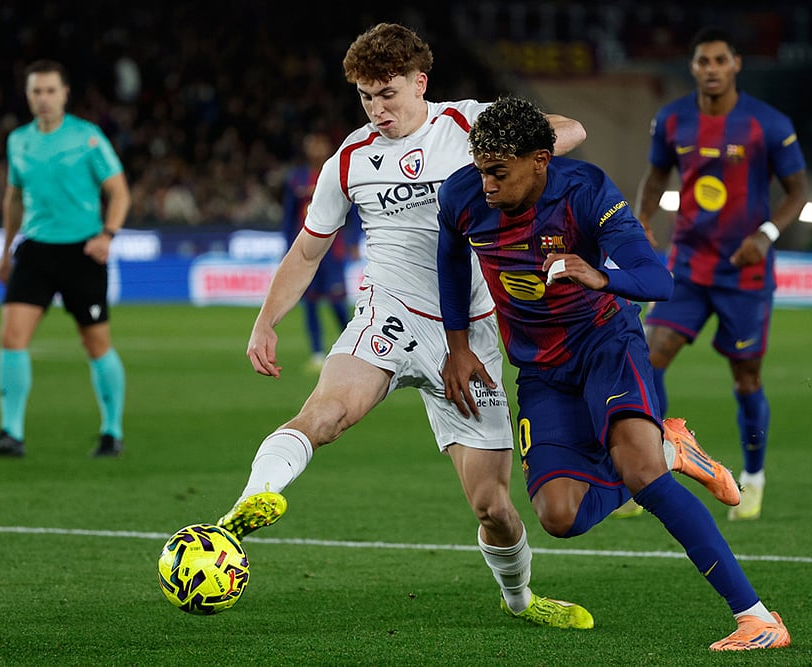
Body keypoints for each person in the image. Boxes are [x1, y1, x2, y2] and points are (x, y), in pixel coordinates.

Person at [215, 22, 593, 629]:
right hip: (390, 313)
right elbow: (309, 249)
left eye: (387, 94)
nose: (377, 109)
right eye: (366, 97)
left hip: (469, 334)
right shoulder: (350, 160)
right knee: (325, 414)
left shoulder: (469, 124)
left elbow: (573, 129)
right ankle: (240, 513)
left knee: (493, 507)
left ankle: (521, 599)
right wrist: (266, 321)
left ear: (421, 83)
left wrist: (513, 151)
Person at [436, 95, 790, 651]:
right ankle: (672, 450)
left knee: (641, 474)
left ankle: (757, 618)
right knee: (559, 516)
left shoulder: (586, 192)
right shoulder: (461, 195)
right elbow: (451, 261)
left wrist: (601, 275)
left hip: (607, 342)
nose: (486, 185)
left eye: (498, 172)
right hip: (540, 368)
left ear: (540, 160)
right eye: (481, 170)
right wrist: (457, 346)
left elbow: (657, 279)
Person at [635, 26, 808, 521]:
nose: (711, 69)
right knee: (647, 356)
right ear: (692, 67)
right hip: (689, 265)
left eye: (719, 60)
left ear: (735, 65)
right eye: (702, 61)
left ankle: (753, 477)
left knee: (747, 378)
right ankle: (651, 466)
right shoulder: (672, 120)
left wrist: (766, 235)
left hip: (744, 272)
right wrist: (642, 219)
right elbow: (656, 175)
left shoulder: (767, 124)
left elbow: (797, 193)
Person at [0, 59, 131, 459]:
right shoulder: (18, 141)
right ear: (28, 96)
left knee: (96, 343)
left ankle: (112, 432)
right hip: (36, 251)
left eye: (50, 91)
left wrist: (107, 235)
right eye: (36, 91)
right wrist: (6, 251)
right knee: (11, 337)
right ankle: (12, 433)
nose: (43, 98)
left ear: (64, 94)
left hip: (82, 252)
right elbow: (13, 199)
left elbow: (119, 191)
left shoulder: (87, 137)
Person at [281, 131, 359, 372]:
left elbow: (354, 211)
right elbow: (288, 217)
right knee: (311, 303)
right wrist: (288, 249)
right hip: (307, 251)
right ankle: (316, 353)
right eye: (312, 144)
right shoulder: (296, 179)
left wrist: (353, 241)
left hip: (333, 251)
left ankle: (354, 349)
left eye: (319, 143)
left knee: (337, 303)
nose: (316, 148)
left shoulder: (337, 174)